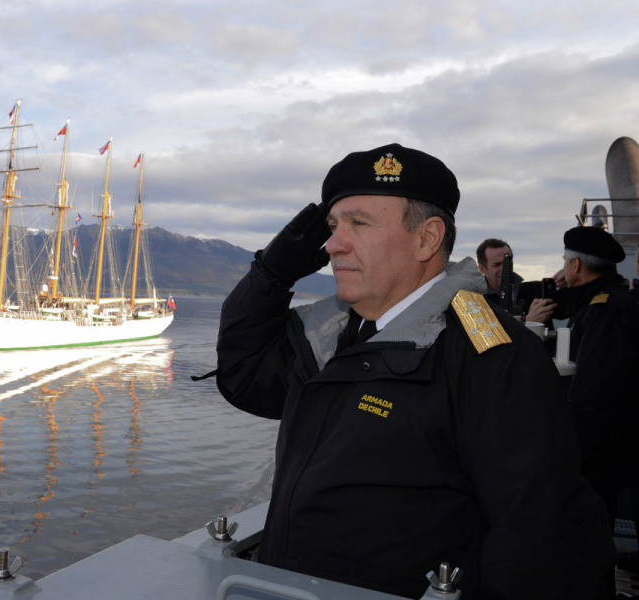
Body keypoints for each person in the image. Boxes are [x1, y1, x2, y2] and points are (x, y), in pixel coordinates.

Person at [216, 143, 615, 598]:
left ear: (427, 239)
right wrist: (272, 273)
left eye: (358, 224)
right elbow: (244, 375)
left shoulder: (491, 356)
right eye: (332, 226)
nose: (331, 245)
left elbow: (540, 537)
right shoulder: (331, 336)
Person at [558, 227, 639, 539]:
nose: (564, 267)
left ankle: (598, 586)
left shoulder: (604, 310)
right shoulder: (609, 300)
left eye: (566, 261)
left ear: (576, 266)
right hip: (610, 443)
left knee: (592, 532)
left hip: (601, 451)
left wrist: (578, 450)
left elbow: (596, 387)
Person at [476, 238, 556, 324]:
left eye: (508, 262)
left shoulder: (536, 291)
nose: (505, 269)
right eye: (497, 265)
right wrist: (529, 322)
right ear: (482, 269)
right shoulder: (475, 302)